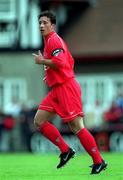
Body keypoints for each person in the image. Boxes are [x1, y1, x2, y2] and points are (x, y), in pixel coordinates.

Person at [32, 10, 107, 174]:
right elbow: (68, 62)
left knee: (77, 127)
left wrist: (42, 61)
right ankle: (66, 150)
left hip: (66, 88)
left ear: (53, 25)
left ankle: (99, 161)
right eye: (40, 23)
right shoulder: (49, 41)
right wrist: (51, 74)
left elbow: (60, 61)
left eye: (45, 22)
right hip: (57, 88)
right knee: (39, 121)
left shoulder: (54, 41)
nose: (41, 26)